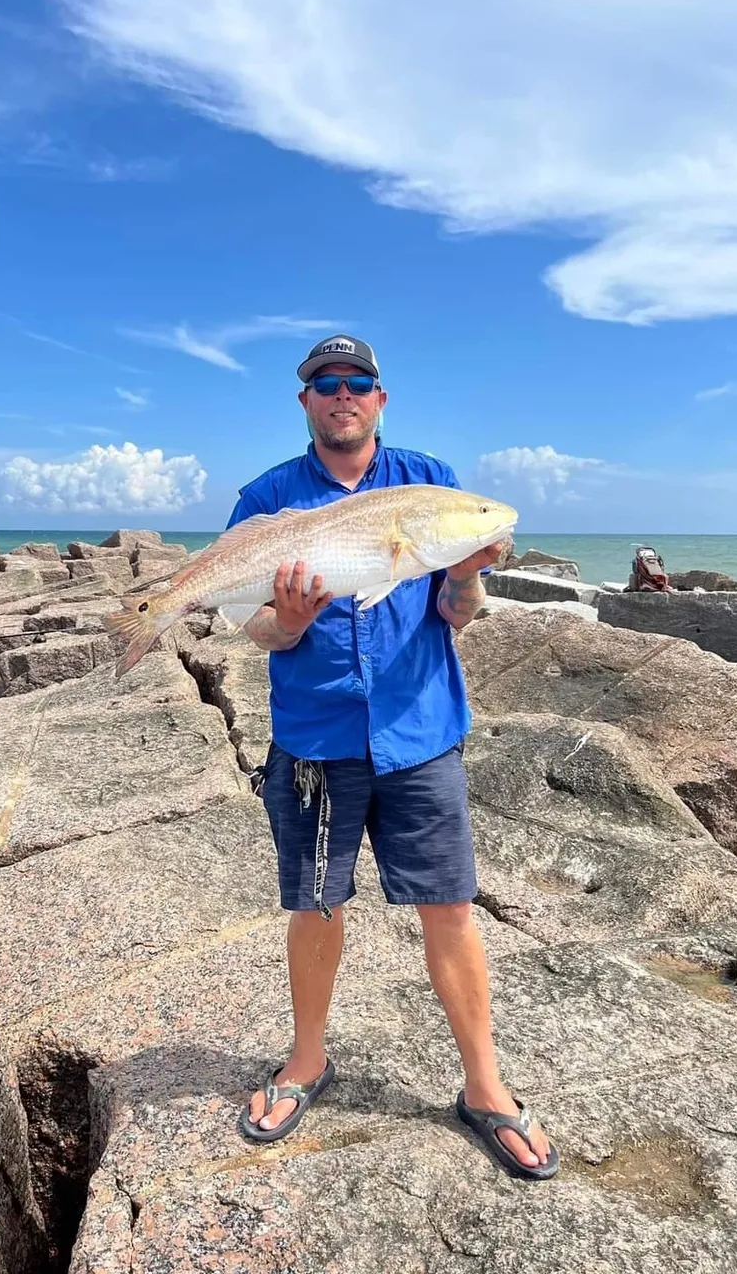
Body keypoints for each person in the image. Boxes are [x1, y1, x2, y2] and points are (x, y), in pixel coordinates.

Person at [229, 334, 557, 1181]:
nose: (343, 393)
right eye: (326, 383)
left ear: (380, 398)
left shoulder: (427, 485)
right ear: (305, 402)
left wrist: (470, 569)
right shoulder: (266, 499)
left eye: (358, 382)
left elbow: (457, 611)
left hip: (420, 733)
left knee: (450, 908)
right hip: (316, 739)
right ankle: (307, 1061)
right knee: (316, 906)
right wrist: (288, 620)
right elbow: (255, 627)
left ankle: (485, 1086)